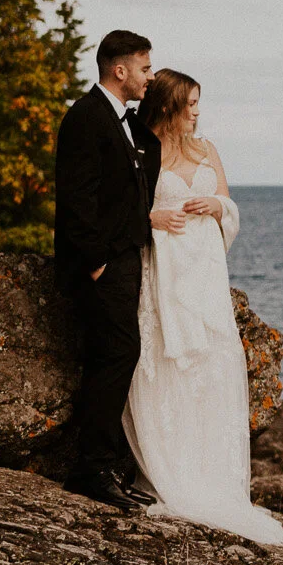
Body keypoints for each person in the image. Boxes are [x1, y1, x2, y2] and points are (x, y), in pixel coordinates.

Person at [121, 68, 283, 545]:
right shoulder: (140, 148)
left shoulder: (206, 149)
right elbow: (127, 209)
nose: (198, 112)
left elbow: (227, 205)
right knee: (166, 365)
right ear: (171, 105)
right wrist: (154, 219)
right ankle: (169, 473)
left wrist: (217, 209)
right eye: (191, 103)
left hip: (205, 272)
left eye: (199, 103)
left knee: (212, 366)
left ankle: (214, 479)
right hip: (162, 267)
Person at [52, 30, 168, 510]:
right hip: (101, 263)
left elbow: (145, 162)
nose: (151, 76)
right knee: (117, 353)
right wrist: (97, 263)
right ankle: (92, 468)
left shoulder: (123, 120)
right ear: (119, 70)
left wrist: (149, 100)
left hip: (122, 256)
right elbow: (77, 197)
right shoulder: (85, 117)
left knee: (117, 354)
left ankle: (107, 465)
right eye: (144, 68)